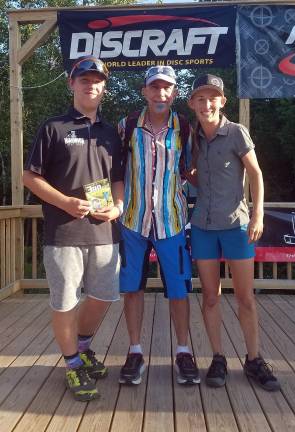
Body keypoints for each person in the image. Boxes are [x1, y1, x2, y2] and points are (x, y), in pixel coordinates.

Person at [23, 56, 124, 401]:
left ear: (104, 88)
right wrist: (64, 202)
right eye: (84, 79)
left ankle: (81, 348)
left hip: (104, 232)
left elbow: (119, 179)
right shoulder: (54, 128)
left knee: (104, 297)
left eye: (97, 80)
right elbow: (30, 176)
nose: (90, 84)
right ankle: (71, 365)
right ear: (71, 84)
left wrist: (119, 206)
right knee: (65, 302)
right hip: (64, 231)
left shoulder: (112, 132)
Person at [187, 74, 280, 391]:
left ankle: (254, 360)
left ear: (222, 101)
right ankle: (218, 358)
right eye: (200, 98)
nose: (207, 103)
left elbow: (256, 174)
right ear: (192, 104)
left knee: (245, 298)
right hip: (202, 226)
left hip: (237, 225)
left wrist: (258, 214)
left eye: (212, 97)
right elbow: (195, 177)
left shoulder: (237, 132)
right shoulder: (192, 138)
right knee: (211, 298)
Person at [117, 65, 200, 386]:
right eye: (155, 88)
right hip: (133, 221)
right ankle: (135, 350)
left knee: (179, 290)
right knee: (133, 288)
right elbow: (110, 170)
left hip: (172, 222)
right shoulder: (126, 127)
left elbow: (193, 169)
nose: (160, 94)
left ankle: (182, 350)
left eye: (167, 88)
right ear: (145, 92)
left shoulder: (185, 128)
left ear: (175, 93)